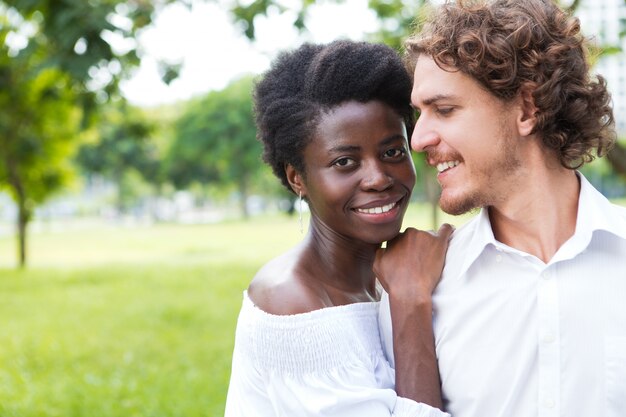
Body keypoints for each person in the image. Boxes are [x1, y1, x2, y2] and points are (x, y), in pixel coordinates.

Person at [376, 1, 626, 416]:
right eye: (419, 114)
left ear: (527, 109)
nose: (417, 139)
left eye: (444, 109)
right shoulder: (418, 289)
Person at [224, 39, 453, 417]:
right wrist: (411, 300)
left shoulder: (387, 275)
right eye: (345, 161)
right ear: (297, 178)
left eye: (393, 152)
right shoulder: (292, 307)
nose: (378, 178)